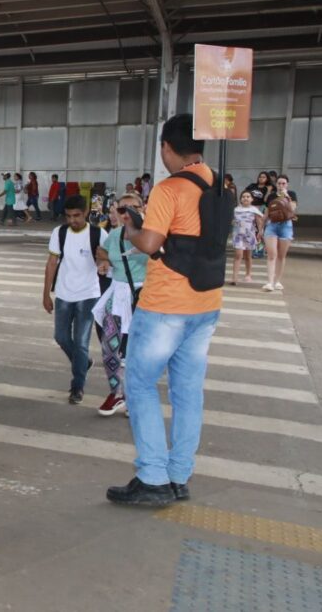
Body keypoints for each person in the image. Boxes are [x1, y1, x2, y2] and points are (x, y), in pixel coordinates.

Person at [106, 113, 224, 507]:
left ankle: (153, 477)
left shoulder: (170, 188)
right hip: (207, 302)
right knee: (188, 392)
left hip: (166, 306)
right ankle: (178, 475)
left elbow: (150, 241)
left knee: (139, 385)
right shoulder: (220, 182)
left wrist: (133, 228)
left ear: (167, 147)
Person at [42, 194, 108, 404]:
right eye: (69, 216)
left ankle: (77, 386)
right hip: (63, 293)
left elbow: (108, 263)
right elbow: (52, 262)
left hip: (89, 294)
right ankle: (83, 363)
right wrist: (45, 294)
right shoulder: (59, 233)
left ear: (86, 212)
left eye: (77, 216)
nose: (72, 220)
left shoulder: (99, 234)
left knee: (80, 342)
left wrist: (103, 259)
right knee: (61, 337)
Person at [92, 192, 147, 416]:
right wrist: (104, 262)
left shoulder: (152, 233)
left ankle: (135, 397)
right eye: (123, 209)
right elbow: (102, 251)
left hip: (144, 295)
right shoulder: (115, 235)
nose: (128, 213)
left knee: (136, 352)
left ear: (142, 208)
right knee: (110, 347)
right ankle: (117, 393)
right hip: (117, 294)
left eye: (133, 207)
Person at [263, 174, 298, 292]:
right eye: (279, 183)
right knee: (272, 254)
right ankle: (270, 282)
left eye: (283, 183)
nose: (281, 185)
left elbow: (293, 209)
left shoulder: (292, 194)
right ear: (276, 184)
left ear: (287, 184)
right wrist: (260, 228)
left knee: (281, 256)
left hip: (286, 225)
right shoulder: (272, 196)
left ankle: (277, 281)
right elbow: (267, 212)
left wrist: (286, 196)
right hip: (272, 225)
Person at [231, 190, 264, 285]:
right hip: (238, 235)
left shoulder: (254, 209)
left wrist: (260, 232)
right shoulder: (236, 209)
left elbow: (259, 221)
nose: (245, 198)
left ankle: (248, 274)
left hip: (249, 235)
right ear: (240, 199)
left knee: (247, 256)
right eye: (243, 196)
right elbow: (231, 221)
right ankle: (234, 277)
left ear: (252, 199)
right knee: (238, 255)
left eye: (248, 196)